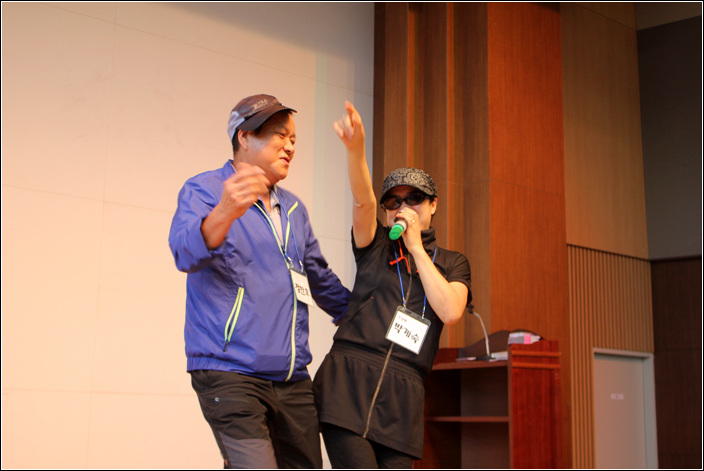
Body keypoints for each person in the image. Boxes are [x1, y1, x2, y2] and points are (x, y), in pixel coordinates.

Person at [168, 94, 350, 469]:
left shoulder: (294, 209)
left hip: (292, 378)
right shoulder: (205, 189)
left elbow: (320, 279)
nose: (290, 146)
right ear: (244, 137)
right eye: (279, 135)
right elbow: (185, 254)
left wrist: (367, 316)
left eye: (294, 139)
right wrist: (225, 210)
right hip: (229, 371)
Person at [313, 101, 472, 468]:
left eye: (414, 199)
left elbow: (450, 311)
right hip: (348, 383)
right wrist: (355, 150)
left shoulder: (452, 262)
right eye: (394, 201)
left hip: (402, 397)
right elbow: (362, 201)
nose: (403, 207)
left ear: (433, 205)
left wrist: (416, 249)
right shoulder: (376, 244)